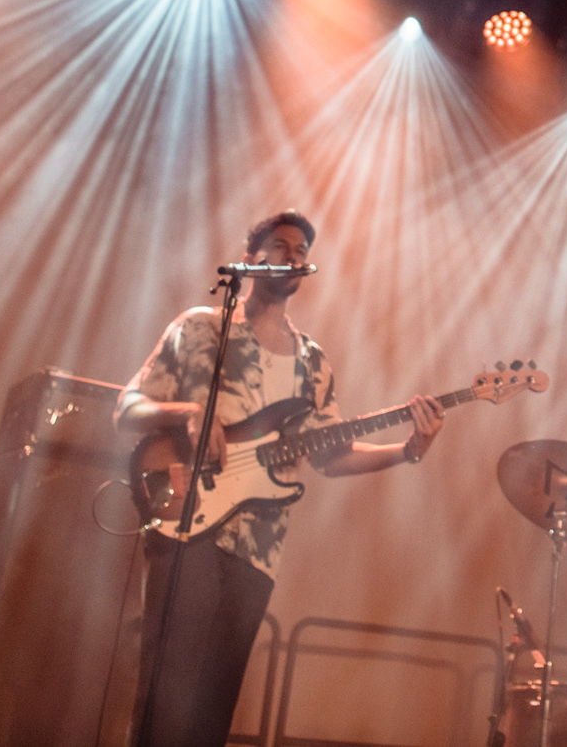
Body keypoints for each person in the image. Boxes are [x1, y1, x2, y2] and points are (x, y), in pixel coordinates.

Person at [115, 211, 445, 747]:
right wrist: (185, 415)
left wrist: (407, 450)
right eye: (280, 244)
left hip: (259, 552)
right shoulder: (201, 327)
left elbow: (331, 456)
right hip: (188, 525)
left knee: (209, 717)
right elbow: (126, 407)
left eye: (300, 249)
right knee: (164, 704)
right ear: (252, 255)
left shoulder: (312, 365)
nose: (292, 255)